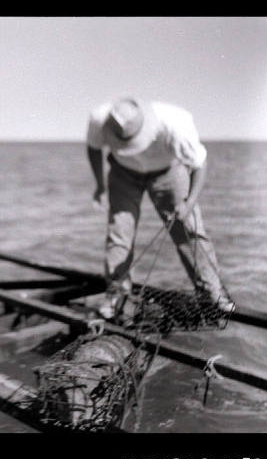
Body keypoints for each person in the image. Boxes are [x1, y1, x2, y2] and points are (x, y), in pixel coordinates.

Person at [86, 97, 234, 319]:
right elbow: (94, 148)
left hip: (169, 172)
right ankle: (117, 294)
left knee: (189, 230)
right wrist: (100, 185)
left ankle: (213, 293)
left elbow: (199, 164)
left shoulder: (176, 123)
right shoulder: (99, 118)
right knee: (119, 233)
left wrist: (188, 203)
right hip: (123, 173)